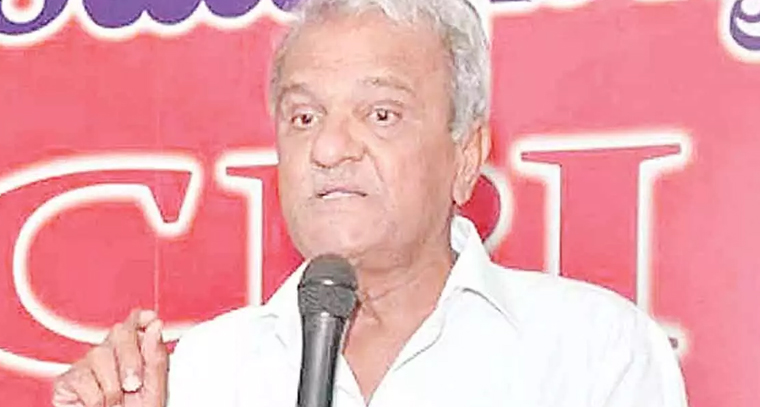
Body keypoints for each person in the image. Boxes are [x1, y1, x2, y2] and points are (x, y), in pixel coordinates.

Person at [52, 0, 690, 406]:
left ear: (466, 157)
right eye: (304, 117)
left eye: (381, 113)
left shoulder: (594, 352)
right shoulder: (200, 375)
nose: (329, 148)